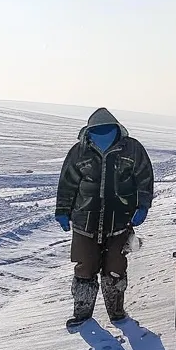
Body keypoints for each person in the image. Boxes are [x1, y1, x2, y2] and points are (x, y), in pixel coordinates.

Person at [55, 107, 154, 328]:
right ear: (88, 132)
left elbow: (144, 179)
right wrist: (62, 210)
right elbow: (67, 183)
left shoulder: (132, 149)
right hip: (84, 223)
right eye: (97, 131)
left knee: (116, 268)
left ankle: (117, 314)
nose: (101, 135)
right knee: (85, 268)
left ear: (117, 129)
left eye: (106, 131)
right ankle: (82, 315)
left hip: (120, 222)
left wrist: (143, 206)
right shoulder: (79, 152)